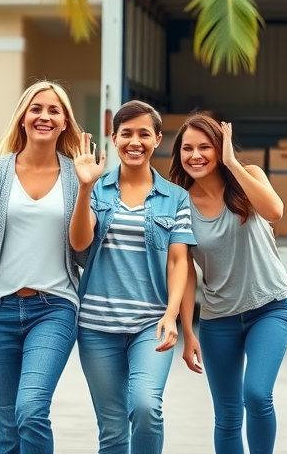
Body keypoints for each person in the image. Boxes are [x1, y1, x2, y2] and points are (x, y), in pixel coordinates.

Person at [0, 81, 87, 454]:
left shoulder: (77, 176)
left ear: (65, 123)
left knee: (31, 410)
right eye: (36, 108)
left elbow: (85, 252)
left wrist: (88, 190)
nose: (44, 116)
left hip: (54, 308)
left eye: (54, 110)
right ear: (23, 118)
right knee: (8, 428)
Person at [69, 100, 194, 454]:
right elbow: (79, 242)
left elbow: (178, 262)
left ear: (157, 139)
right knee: (111, 428)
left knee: (145, 406)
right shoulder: (96, 189)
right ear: (113, 138)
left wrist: (172, 316)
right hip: (96, 327)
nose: (134, 142)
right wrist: (83, 188)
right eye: (126, 134)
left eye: (143, 134)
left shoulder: (176, 198)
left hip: (150, 324)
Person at [169, 115, 287, 454]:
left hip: (270, 306)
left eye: (205, 147)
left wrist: (231, 163)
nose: (195, 155)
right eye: (187, 148)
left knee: (256, 393)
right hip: (218, 318)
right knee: (226, 416)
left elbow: (275, 211)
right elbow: (186, 271)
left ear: (220, 147)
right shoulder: (180, 204)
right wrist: (187, 331)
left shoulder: (249, 176)